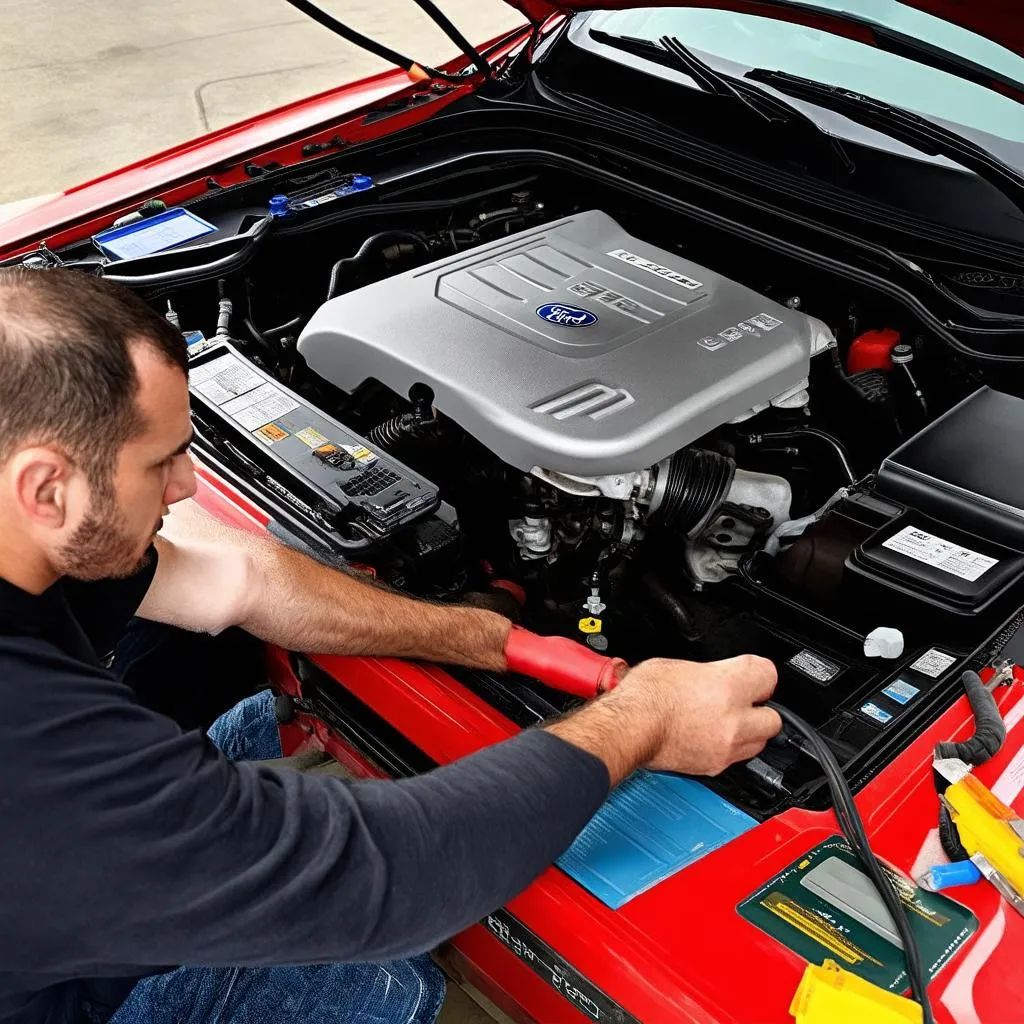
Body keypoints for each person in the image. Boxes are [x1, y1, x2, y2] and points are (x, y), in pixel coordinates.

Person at [0, 266, 782, 1024]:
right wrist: (644, 717)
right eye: (161, 461)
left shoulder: (32, 526)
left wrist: (488, 637)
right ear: (46, 487)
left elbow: (236, 576)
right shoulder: (33, 753)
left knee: (244, 725)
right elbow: (398, 877)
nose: (188, 488)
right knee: (371, 980)